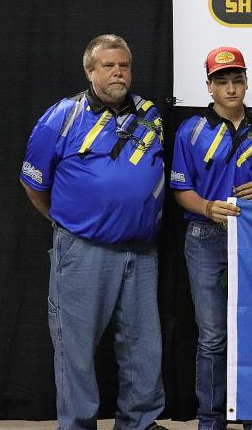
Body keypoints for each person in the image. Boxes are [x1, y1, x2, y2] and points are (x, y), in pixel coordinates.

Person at [20, 34, 166, 429]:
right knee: (76, 349)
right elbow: (33, 182)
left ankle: (140, 422)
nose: (119, 72)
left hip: (141, 251)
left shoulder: (150, 114)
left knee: (143, 348)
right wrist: (64, 220)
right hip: (83, 250)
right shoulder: (62, 116)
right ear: (89, 71)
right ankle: (78, 425)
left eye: (124, 65)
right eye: (108, 65)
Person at [170, 47, 252, 430]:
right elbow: (179, 189)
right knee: (214, 335)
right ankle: (210, 418)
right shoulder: (191, 130)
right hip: (205, 236)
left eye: (237, 80)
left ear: (247, 83)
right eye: (222, 82)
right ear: (209, 87)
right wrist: (206, 208)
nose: (231, 88)